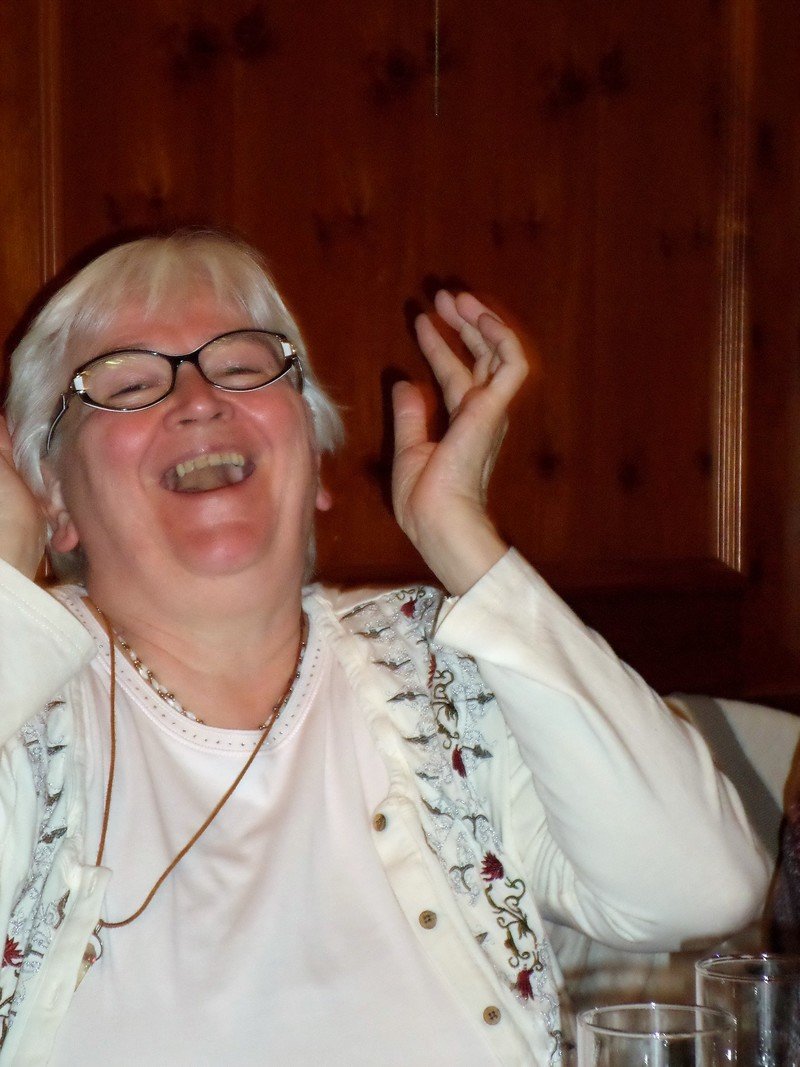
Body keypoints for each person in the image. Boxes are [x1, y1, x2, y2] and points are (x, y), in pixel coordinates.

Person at [0, 230, 768, 1066]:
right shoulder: (25, 705)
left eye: (243, 366)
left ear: (314, 454)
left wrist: (463, 540)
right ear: (53, 498)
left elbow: (700, 888)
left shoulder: (438, 674)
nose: (198, 399)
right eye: (129, 383)